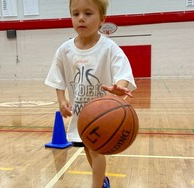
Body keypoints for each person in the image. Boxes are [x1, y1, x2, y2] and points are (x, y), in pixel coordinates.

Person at [45, 0, 136, 187]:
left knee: (96, 151)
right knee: (88, 149)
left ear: (102, 19)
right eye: (75, 13)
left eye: (88, 13)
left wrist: (119, 86)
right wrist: (61, 100)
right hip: (80, 114)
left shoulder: (109, 48)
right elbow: (57, 77)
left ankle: (99, 185)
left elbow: (122, 71)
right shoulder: (65, 50)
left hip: (102, 115)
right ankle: (102, 180)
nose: (81, 18)